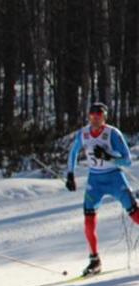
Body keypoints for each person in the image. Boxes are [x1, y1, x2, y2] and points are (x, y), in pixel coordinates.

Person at [65, 102, 135, 276]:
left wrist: (108, 157)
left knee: (135, 214)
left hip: (114, 178)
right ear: (89, 116)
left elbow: (127, 160)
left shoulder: (112, 133)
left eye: (99, 115)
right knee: (88, 221)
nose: (96, 119)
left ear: (105, 117)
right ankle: (94, 260)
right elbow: (73, 152)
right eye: (93, 115)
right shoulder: (84, 133)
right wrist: (70, 174)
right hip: (95, 182)